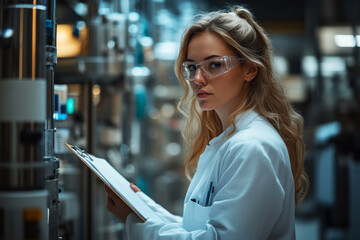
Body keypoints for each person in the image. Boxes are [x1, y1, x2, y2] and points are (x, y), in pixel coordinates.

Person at [105, 5, 309, 239]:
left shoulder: (252, 147)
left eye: (214, 65)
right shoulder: (228, 140)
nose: (198, 79)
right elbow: (200, 229)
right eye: (192, 67)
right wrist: (143, 209)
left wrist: (136, 224)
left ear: (250, 69)